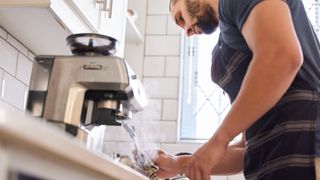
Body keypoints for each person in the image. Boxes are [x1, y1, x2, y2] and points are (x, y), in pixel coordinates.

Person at [152, 0, 320, 179]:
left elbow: (283, 56)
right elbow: (244, 149)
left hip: (307, 148)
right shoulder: (229, 42)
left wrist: (219, 140)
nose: (186, 31)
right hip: (274, 164)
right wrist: (180, 164)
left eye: (180, 18)